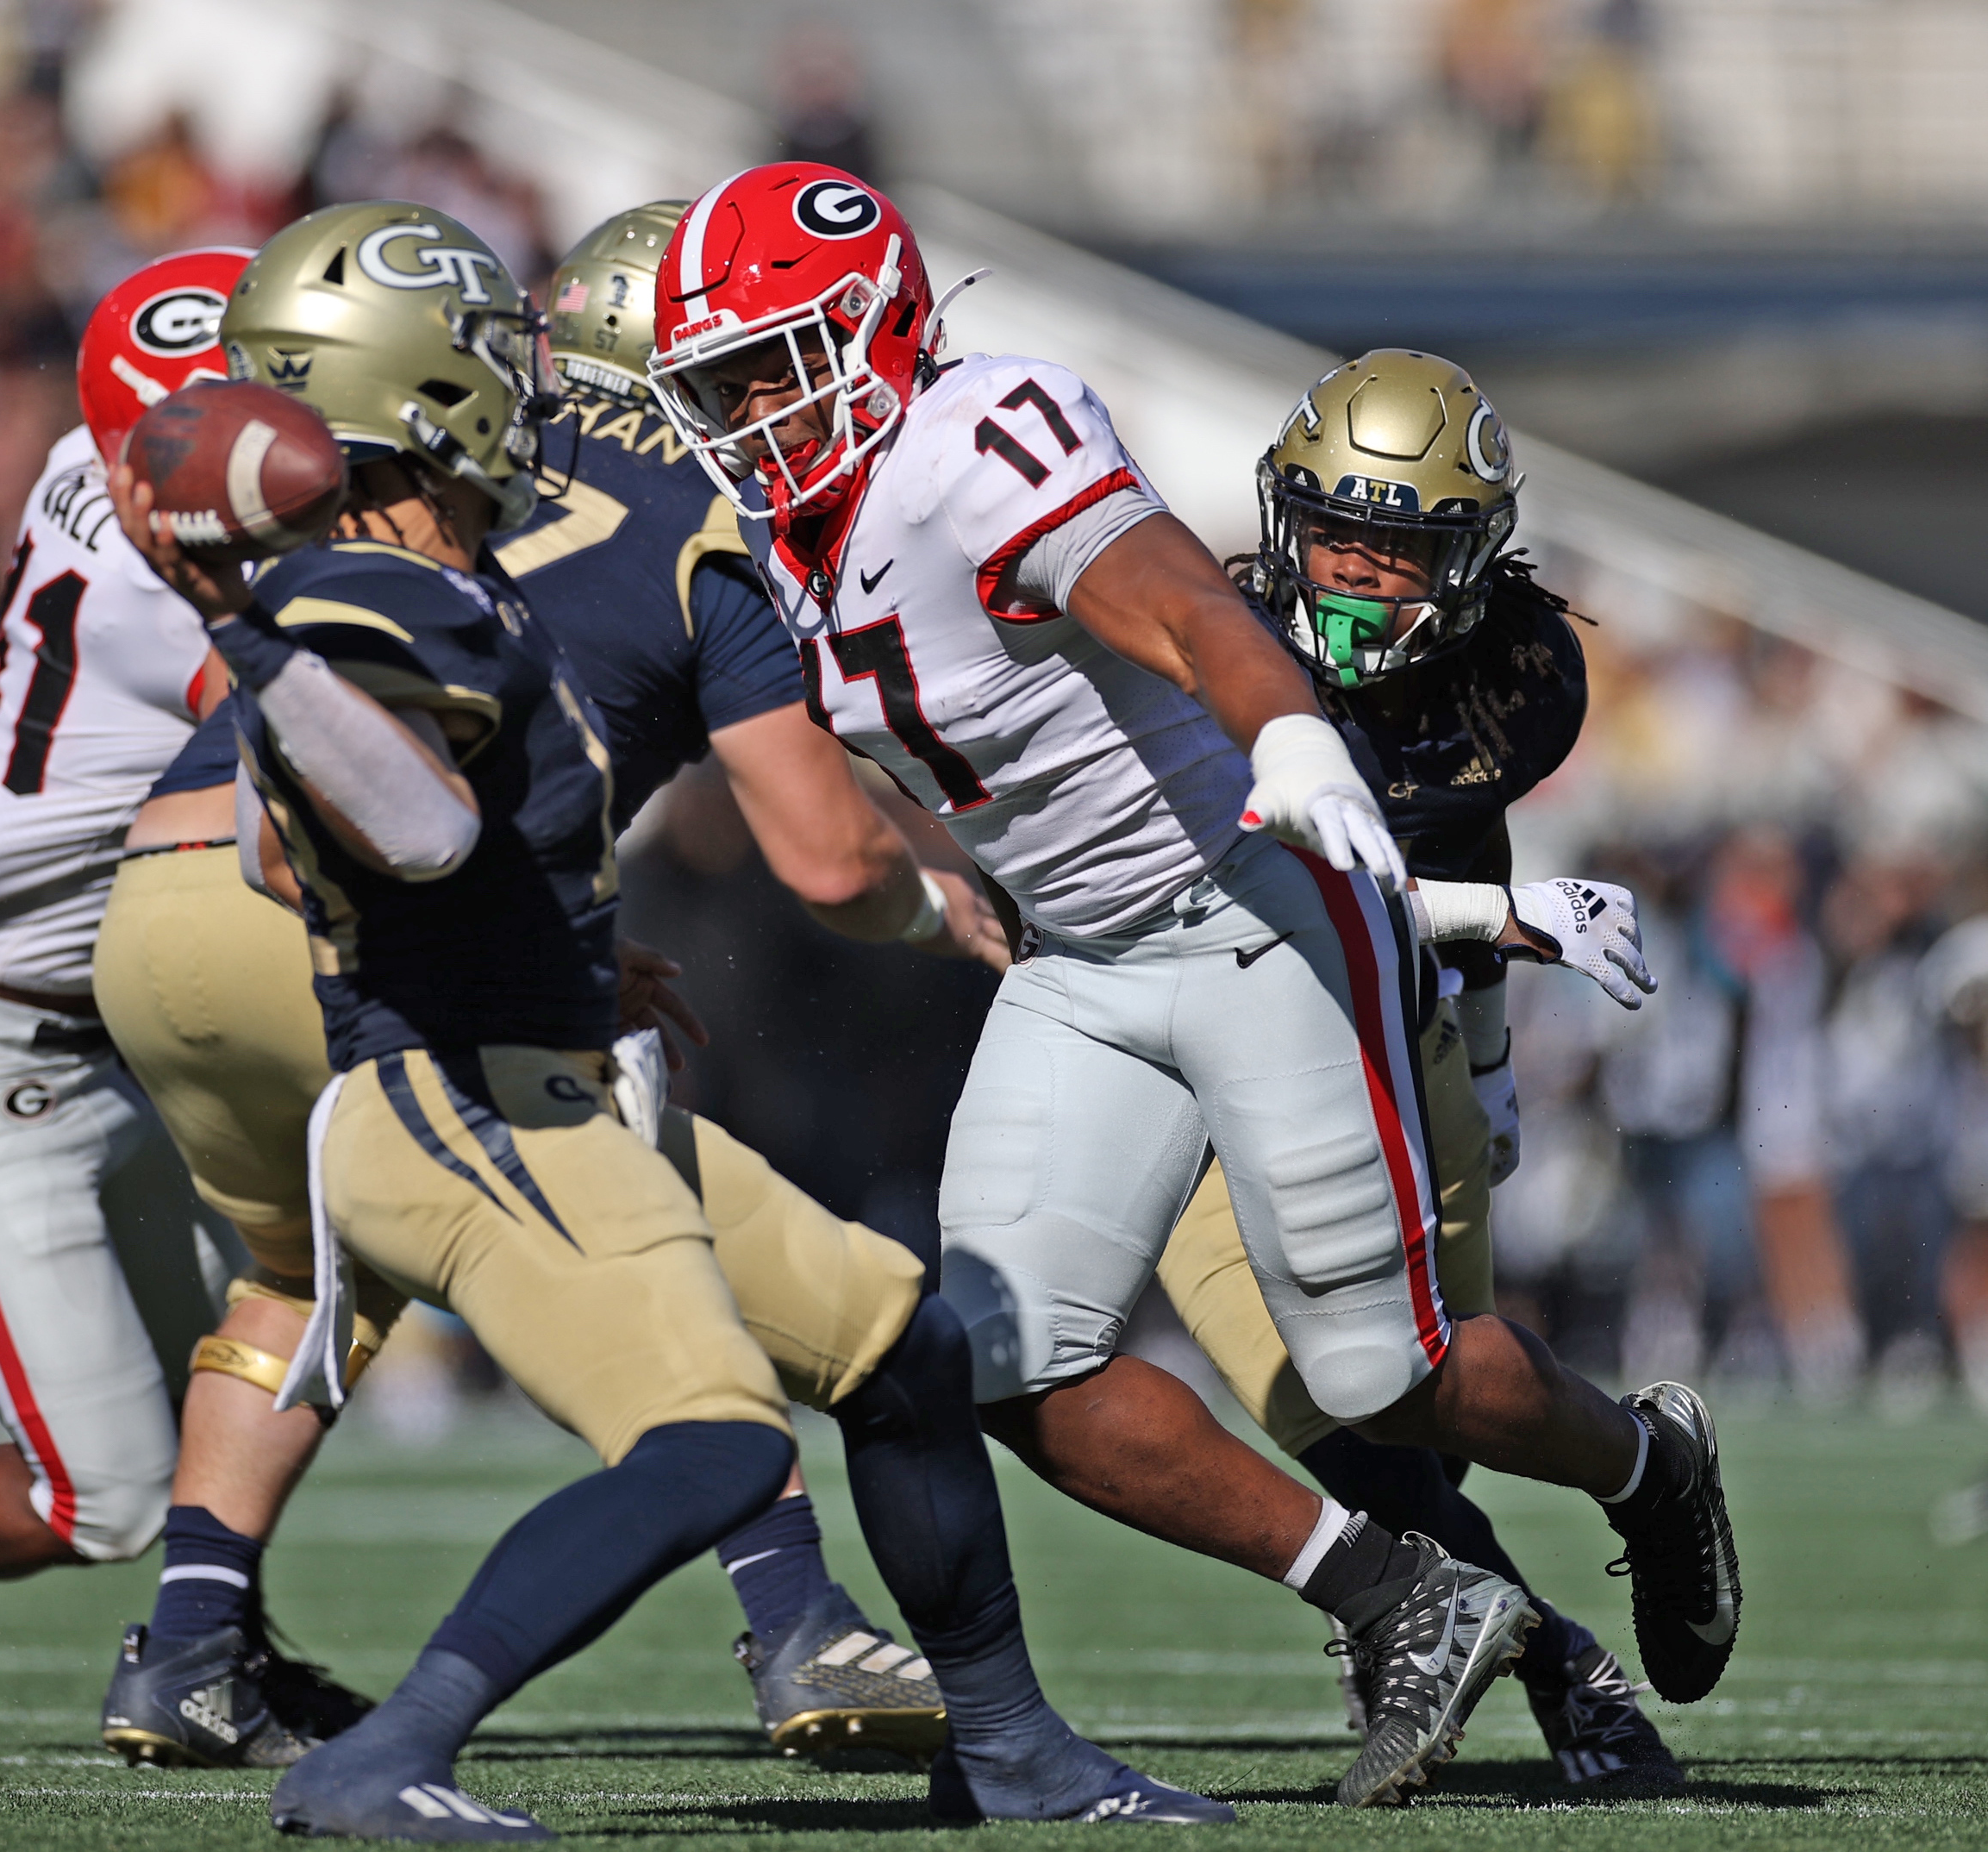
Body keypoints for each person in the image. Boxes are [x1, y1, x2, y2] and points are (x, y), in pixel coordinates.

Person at [110, 198, 1235, 1839]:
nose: (529, 381)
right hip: (461, 1105)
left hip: (545, 1071)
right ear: (423, 390)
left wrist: (557, 939)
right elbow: (403, 832)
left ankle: (1009, 1748)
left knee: (899, 1344)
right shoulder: (362, 590)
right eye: (492, 352)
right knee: (712, 1444)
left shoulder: (441, 573)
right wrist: (250, 643)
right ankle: (386, 1753)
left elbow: (317, 855)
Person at [647, 161, 1740, 1807]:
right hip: (1085, 960)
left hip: (1252, 915)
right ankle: (1400, 1599)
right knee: (1007, 1359)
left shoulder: (973, 431)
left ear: (870, 332)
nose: (747, 411)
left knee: (1388, 1374)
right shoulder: (787, 533)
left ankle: (1650, 1466)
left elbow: (1172, 594)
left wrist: (1289, 732)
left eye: (770, 366)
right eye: (719, 383)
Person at [0, 251, 367, 1758]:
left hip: (131, 1032)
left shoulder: (91, 467)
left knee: (255, 1361)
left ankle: (209, 1649)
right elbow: (349, 734)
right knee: (96, 1493)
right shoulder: (160, 594)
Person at [1153, 348, 1679, 1792]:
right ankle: (1541, 1646)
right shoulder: (1209, 623)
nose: (1361, 574)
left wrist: (1494, 1056)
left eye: (1400, 548)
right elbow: (1270, 876)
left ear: (1473, 555)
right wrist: (1499, 933)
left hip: (1396, 1029)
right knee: (1303, 1372)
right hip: (1225, 997)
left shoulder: (1518, 669)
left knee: (1406, 1385)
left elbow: (1450, 840)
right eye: (1337, 534)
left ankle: (1620, 1510)